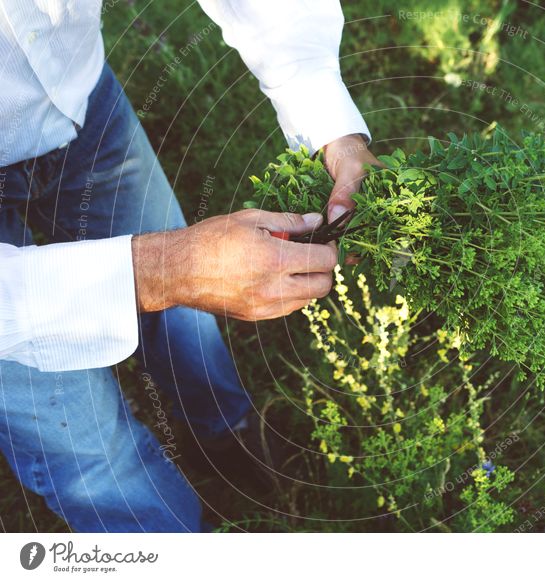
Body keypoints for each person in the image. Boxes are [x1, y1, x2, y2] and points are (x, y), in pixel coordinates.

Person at [0, 0, 378, 532]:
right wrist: (166, 269)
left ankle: (225, 429)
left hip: (75, 93)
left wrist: (329, 123)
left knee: (186, 315)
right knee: (89, 451)